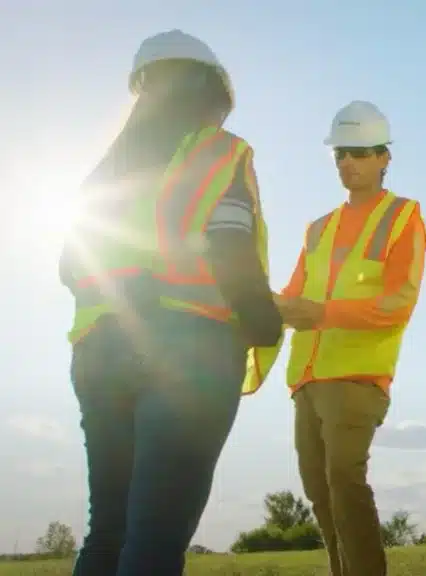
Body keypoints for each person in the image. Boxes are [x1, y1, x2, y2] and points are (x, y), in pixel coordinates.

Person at [60, 30, 282, 576]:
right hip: (187, 353)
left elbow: (69, 265)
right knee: (154, 541)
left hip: (98, 355)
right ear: (213, 93)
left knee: (106, 533)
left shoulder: (102, 171)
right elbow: (230, 244)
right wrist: (264, 322)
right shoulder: (219, 152)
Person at [243, 101, 426, 576]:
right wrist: (256, 302)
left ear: (385, 157)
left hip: (357, 378)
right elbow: (294, 295)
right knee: (319, 490)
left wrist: (321, 313)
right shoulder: (317, 229)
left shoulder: (404, 217)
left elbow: (399, 302)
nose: (349, 163)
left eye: (360, 153)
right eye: (341, 153)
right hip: (306, 378)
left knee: (344, 478)